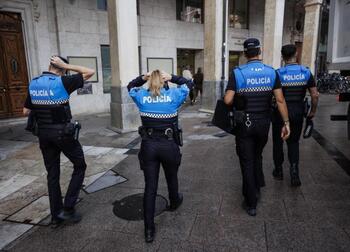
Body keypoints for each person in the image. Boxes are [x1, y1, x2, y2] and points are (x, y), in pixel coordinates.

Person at [23, 56, 95, 227]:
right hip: (63, 134)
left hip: (44, 135)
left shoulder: (34, 83)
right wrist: (66, 65)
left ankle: (56, 217)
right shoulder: (62, 81)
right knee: (80, 165)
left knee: (52, 174)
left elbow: (26, 111)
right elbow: (90, 72)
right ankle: (68, 208)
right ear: (61, 68)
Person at [224, 38, 290, 216]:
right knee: (257, 154)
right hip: (264, 123)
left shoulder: (237, 73)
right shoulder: (271, 72)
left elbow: (228, 100)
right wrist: (286, 123)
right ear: (259, 52)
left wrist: (239, 93)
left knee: (247, 160)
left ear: (245, 53)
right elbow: (280, 100)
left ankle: (251, 201)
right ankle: (258, 185)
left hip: (244, 124)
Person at [128, 70, 193, 243]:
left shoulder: (141, 96)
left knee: (150, 186)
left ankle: (149, 229)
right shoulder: (173, 95)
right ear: (165, 82)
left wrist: (142, 77)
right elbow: (189, 83)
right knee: (172, 176)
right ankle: (174, 201)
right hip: (168, 144)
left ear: (149, 82)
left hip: (148, 146)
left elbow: (130, 86)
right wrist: (172, 77)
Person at [272, 44, 319, 186]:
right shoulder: (305, 72)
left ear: (282, 57)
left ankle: (279, 171)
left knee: (278, 142)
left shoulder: (278, 73)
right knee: (293, 142)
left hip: (280, 113)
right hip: (298, 112)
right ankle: (294, 173)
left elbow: (274, 96)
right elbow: (315, 95)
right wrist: (312, 112)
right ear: (296, 54)